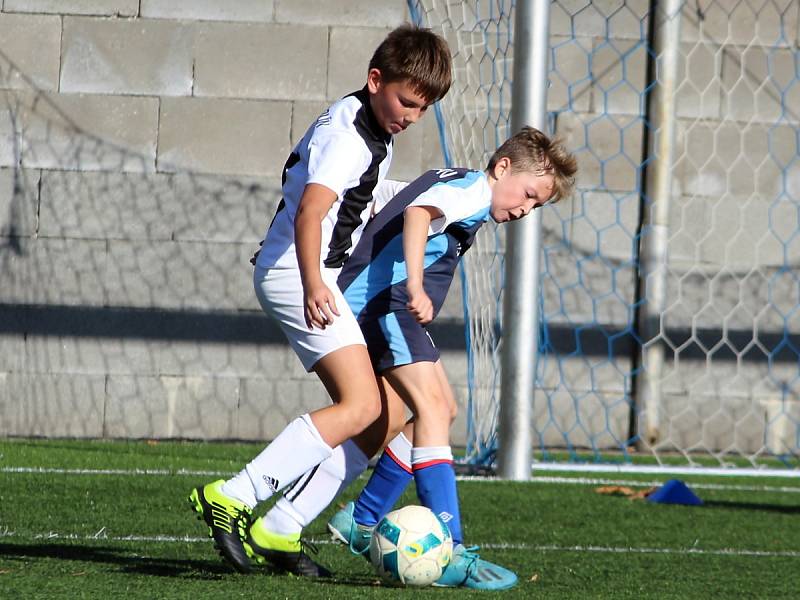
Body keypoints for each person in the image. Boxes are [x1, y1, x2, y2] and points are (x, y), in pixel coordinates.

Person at [188, 23, 452, 576]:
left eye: (423, 109)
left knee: (385, 416)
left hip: (313, 273)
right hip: (298, 272)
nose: (411, 115)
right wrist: (313, 283)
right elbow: (311, 212)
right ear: (375, 80)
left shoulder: (373, 128)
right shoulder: (349, 135)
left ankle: (280, 527)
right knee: (360, 404)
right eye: (406, 101)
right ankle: (234, 495)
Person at [278, 126, 578, 589]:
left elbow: (400, 203)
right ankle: (453, 549)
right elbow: (417, 213)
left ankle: (362, 517)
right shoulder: (471, 191)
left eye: (536, 206)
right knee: (433, 408)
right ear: (502, 168)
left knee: (432, 410)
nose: (525, 209)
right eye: (529, 195)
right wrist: (416, 284)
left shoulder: (462, 185)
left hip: (390, 304)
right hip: (385, 303)